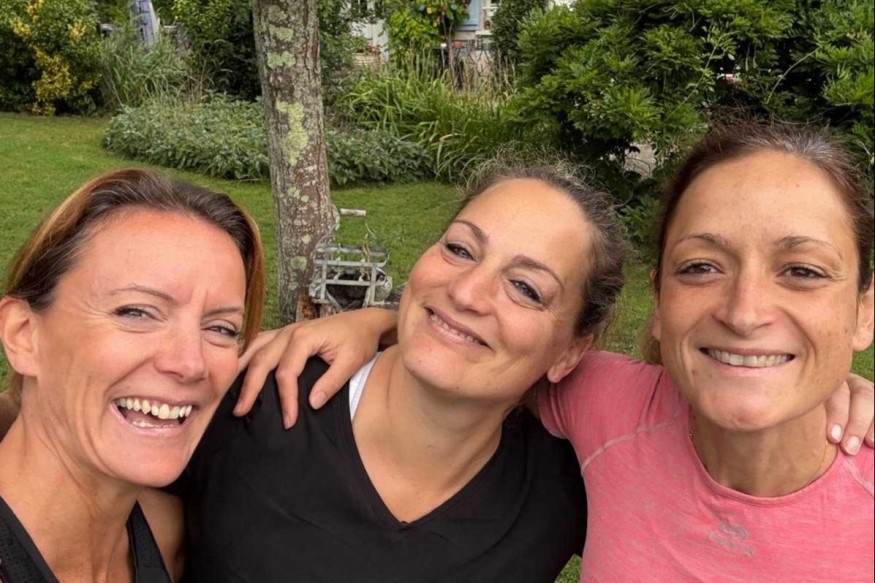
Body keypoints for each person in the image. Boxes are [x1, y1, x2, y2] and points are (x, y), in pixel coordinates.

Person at [240, 123, 875, 580]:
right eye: (701, 266)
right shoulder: (609, 407)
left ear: (864, 309)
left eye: (803, 272)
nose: (744, 311)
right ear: (660, 303)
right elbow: (489, 348)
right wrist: (380, 323)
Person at [173, 165, 629, 582]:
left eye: (526, 288)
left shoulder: (564, 488)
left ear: (569, 353)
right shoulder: (258, 393)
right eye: (459, 249)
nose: (466, 292)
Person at [0, 168, 265, 583]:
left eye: (221, 328)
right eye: (136, 312)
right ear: (23, 335)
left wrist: (372, 327)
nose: (190, 363)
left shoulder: (165, 536)